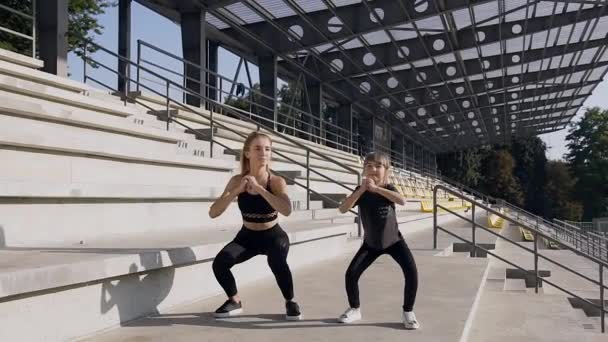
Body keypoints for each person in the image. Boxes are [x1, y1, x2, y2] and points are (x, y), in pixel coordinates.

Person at [208, 131, 301, 320]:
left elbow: (286, 209)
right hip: (247, 237)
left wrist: (259, 189)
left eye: (267, 149)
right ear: (247, 153)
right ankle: (234, 301)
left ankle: (290, 301)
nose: (263, 153)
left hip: (273, 235)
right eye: (257, 148)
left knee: (276, 260)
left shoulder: (275, 181)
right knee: (220, 263)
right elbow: (213, 212)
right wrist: (236, 191)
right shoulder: (237, 180)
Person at [336, 152, 420, 329]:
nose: (373, 169)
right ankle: (355, 308)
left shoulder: (389, 187)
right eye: (369, 166)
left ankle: (408, 312)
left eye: (378, 166)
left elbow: (402, 200)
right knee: (351, 274)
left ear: (386, 171)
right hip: (371, 244)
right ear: (364, 170)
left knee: (411, 272)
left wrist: (377, 189)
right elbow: (343, 208)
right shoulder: (361, 191)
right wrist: (362, 190)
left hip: (394, 241)